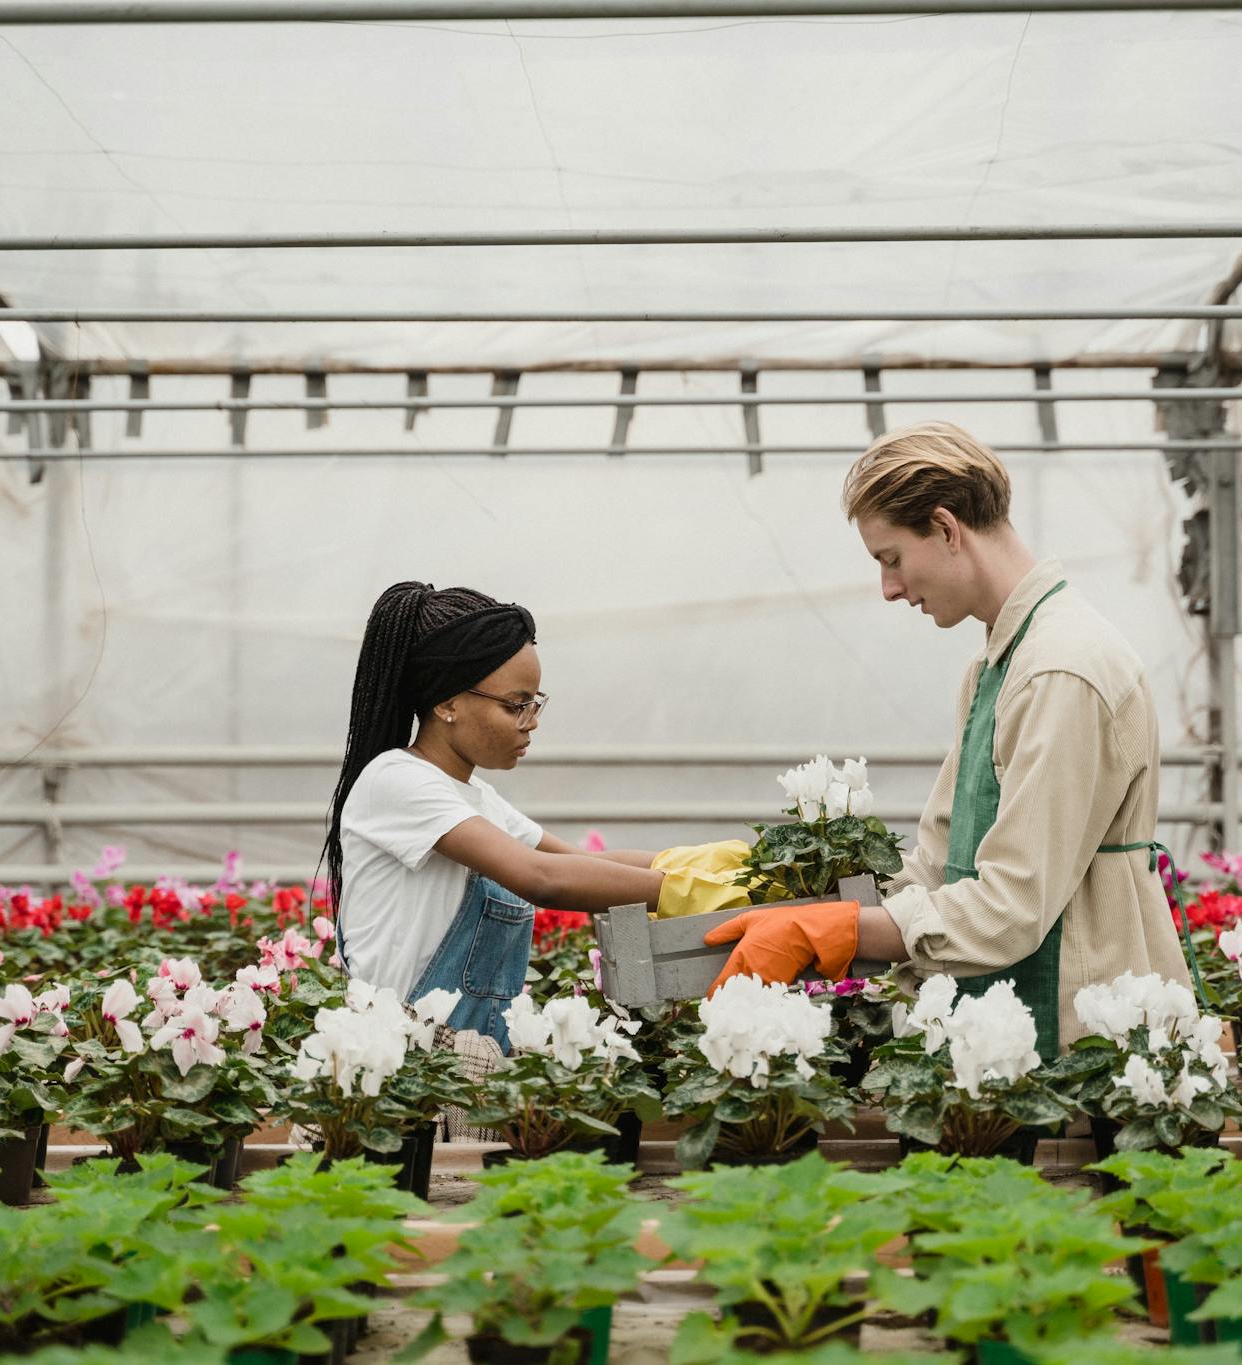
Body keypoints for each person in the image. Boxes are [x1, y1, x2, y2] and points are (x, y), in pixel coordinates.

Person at [704, 422, 1197, 1060]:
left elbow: (1013, 904)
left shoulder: (1062, 670)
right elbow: (937, 865)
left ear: (945, 528)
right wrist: (799, 902)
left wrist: (839, 929)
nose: (890, 588)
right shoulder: (997, 663)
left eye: (891, 559)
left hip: (1080, 1034)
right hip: (998, 1015)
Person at [325, 581, 663, 1051]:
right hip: (404, 1072)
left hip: (469, 1066)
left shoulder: (475, 798)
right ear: (447, 703)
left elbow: (579, 861)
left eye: (534, 702)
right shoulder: (396, 781)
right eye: (515, 705)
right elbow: (540, 876)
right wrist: (691, 891)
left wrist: (720, 868)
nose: (532, 721)